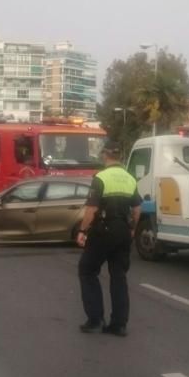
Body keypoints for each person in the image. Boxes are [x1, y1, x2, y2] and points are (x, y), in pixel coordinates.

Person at [76, 142, 141, 337]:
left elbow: (92, 209)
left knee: (87, 270)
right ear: (120, 157)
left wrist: (83, 231)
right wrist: (132, 229)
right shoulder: (130, 178)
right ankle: (119, 325)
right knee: (119, 276)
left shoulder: (101, 177)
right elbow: (137, 210)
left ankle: (95, 320)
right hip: (123, 231)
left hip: (103, 231)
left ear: (105, 155)